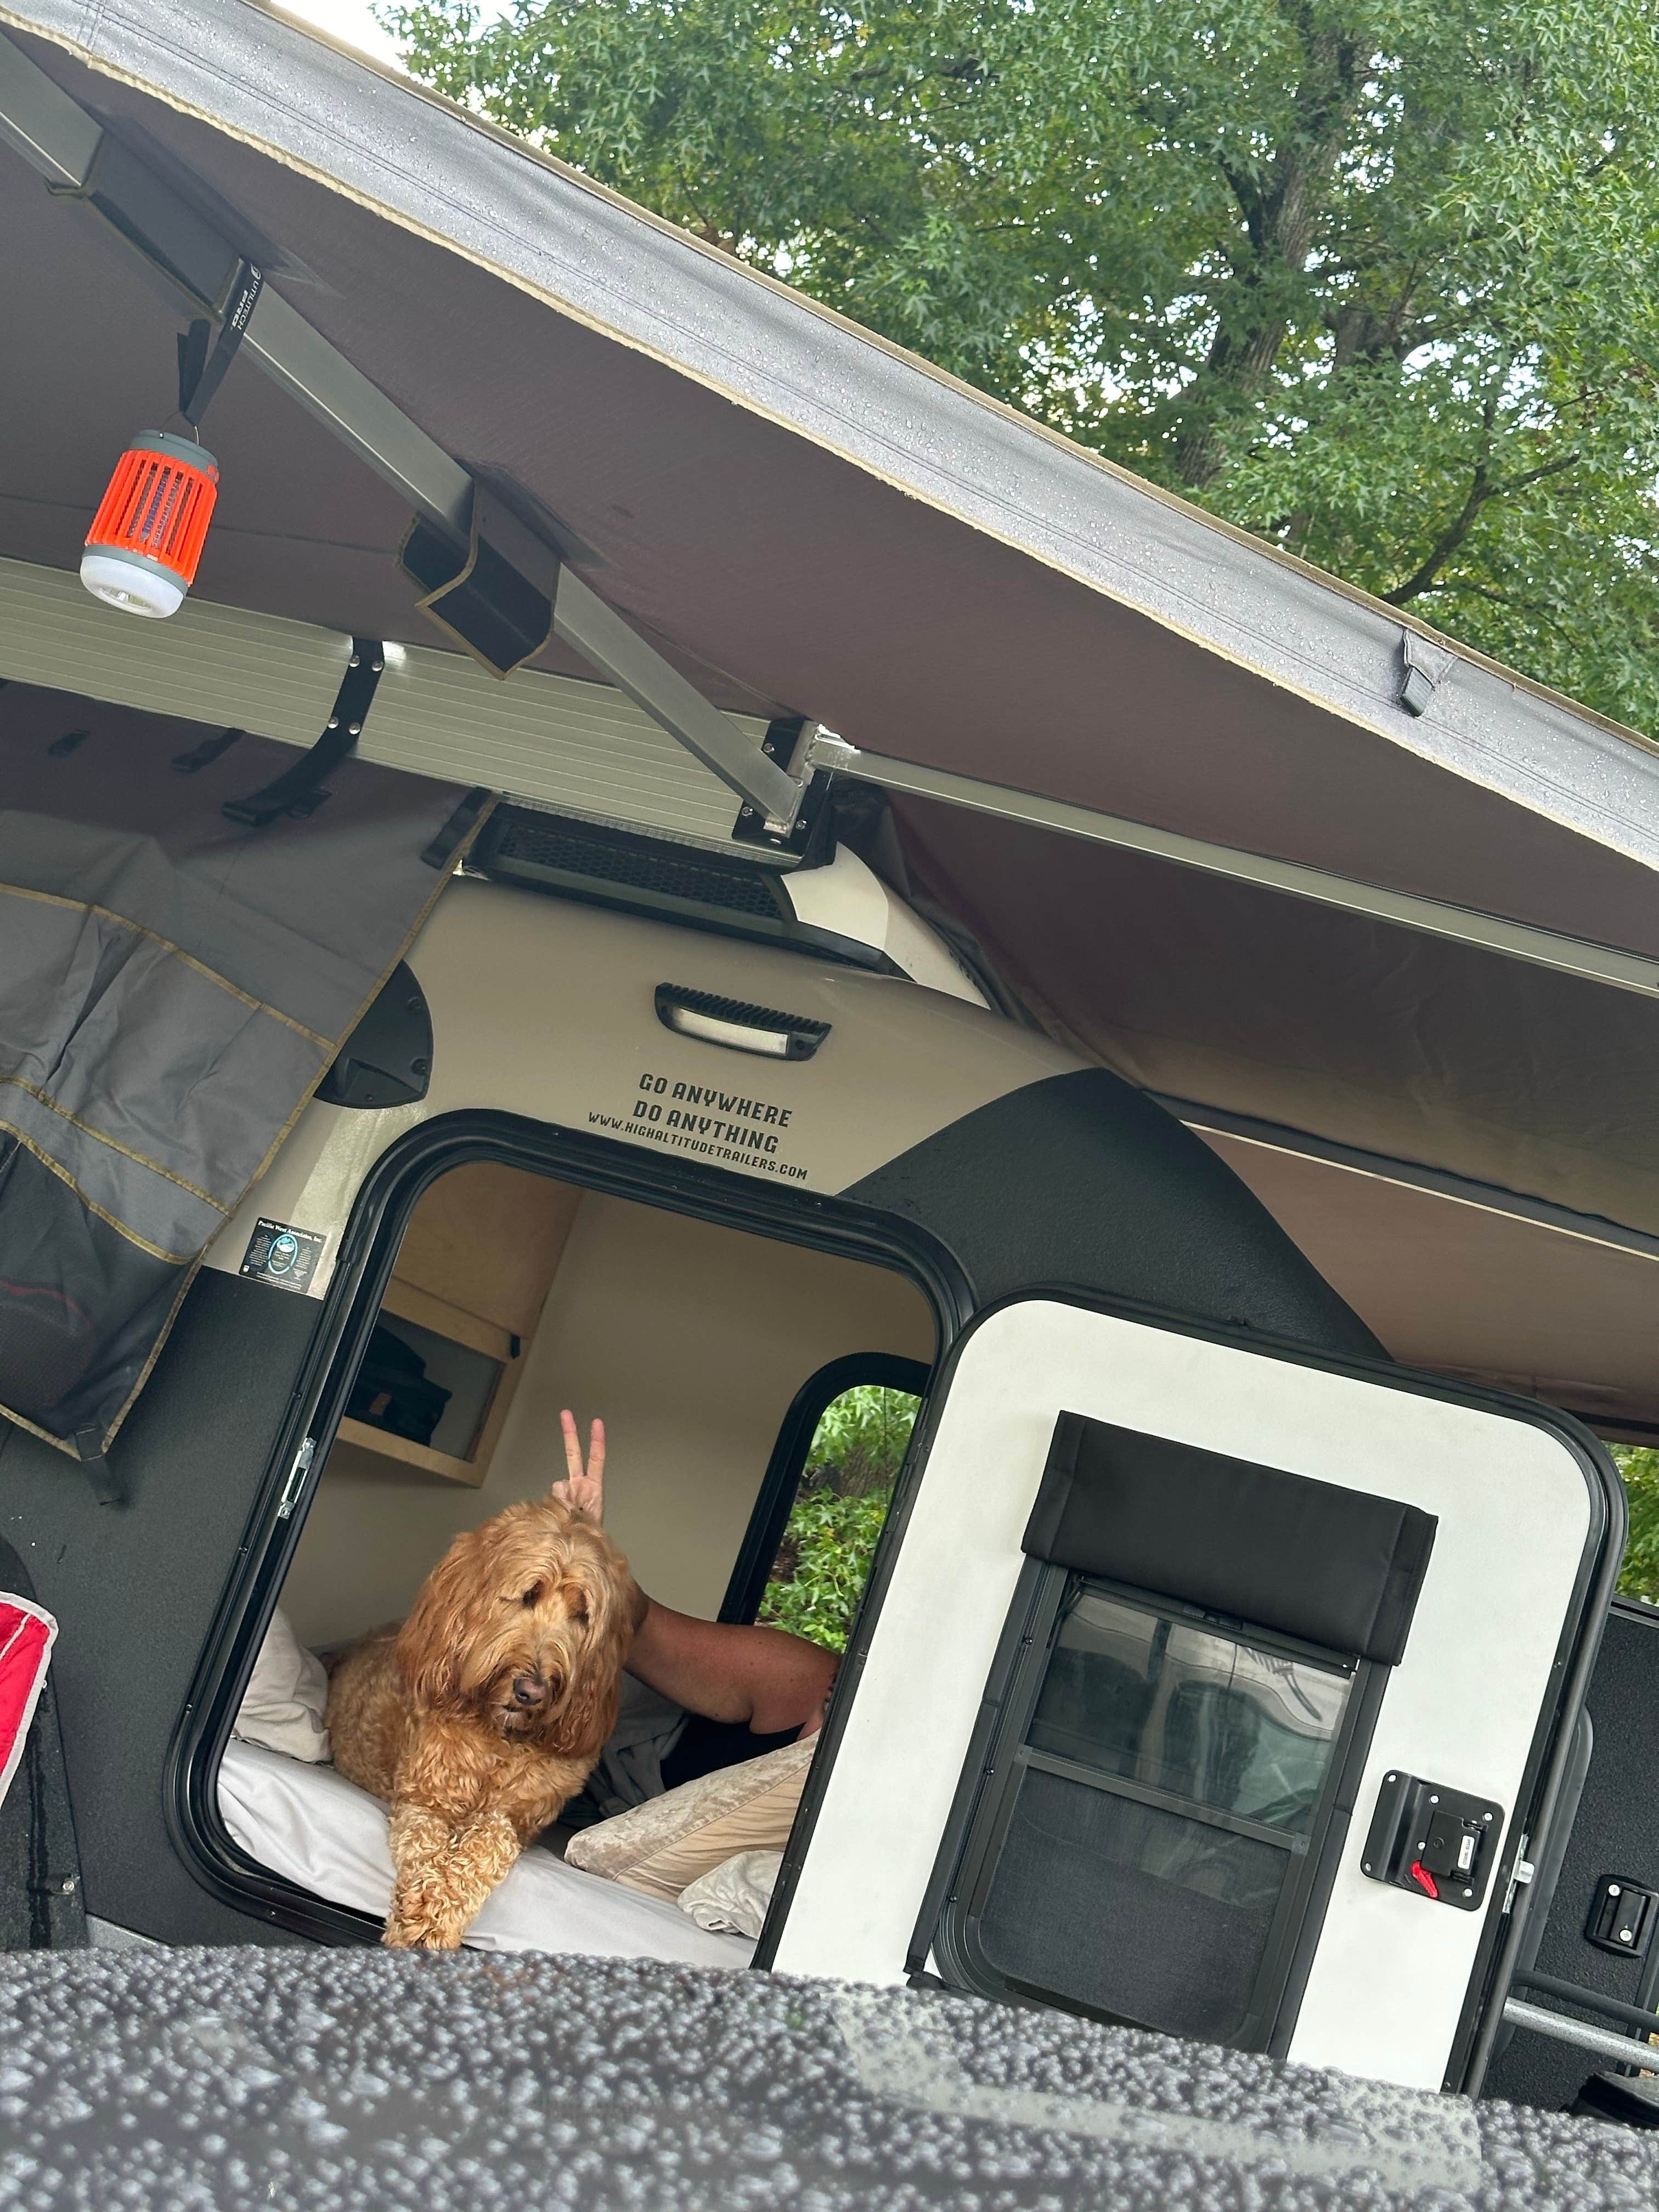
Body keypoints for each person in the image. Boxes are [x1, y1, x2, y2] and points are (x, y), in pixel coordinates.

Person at [551, 1409, 837, 1818]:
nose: (820, 1734)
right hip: (619, 1738)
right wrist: (586, 1552)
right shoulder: (802, 1677)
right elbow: (639, 1626)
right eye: (830, 1705)